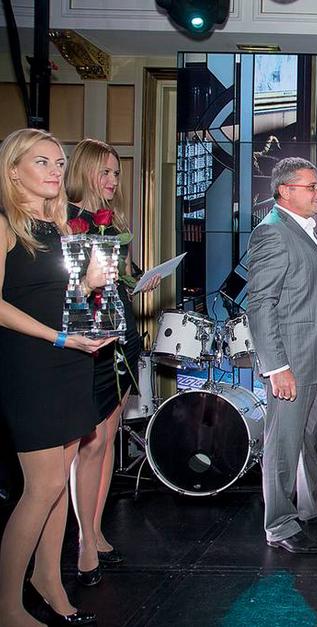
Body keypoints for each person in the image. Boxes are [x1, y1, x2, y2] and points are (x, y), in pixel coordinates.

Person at [0, 128, 114, 627]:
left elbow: (62, 299)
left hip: (70, 359)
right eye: (41, 162)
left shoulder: (59, 227)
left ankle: (48, 581)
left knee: (56, 486)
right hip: (32, 365)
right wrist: (58, 336)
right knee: (41, 487)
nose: (54, 171)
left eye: (59, 163)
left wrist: (89, 285)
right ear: (13, 171)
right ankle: (7, 607)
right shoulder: (5, 225)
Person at [64, 138, 160, 586]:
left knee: (107, 443)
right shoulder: (67, 221)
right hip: (90, 344)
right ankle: (84, 540)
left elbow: (120, 279)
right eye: (104, 172)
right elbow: (68, 293)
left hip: (122, 340)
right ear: (83, 171)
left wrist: (140, 279)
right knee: (91, 444)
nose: (112, 180)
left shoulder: (112, 223)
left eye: (116, 173)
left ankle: (96, 531)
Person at [247, 157, 317, 554]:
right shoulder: (272, 233)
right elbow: (260, 305)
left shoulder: (304, 231)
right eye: (312, 186)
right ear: (285, 191)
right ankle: (280, 525)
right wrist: (277, 367)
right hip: (291, 362)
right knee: (283, 444)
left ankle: (307, 509)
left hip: (314, 356)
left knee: (305, 440)